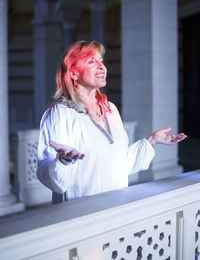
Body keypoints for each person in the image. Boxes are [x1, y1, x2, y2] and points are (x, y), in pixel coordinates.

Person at [37, 40, 187, 204]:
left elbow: (119, 164)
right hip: (81, 216)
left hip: (117, 209)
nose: (102, 66)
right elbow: (54, 181)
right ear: (73, 73)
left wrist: (151, 141)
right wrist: (63, 161)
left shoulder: (110, 110)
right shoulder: (60, 114)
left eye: (101, 60)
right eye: (91, 61)